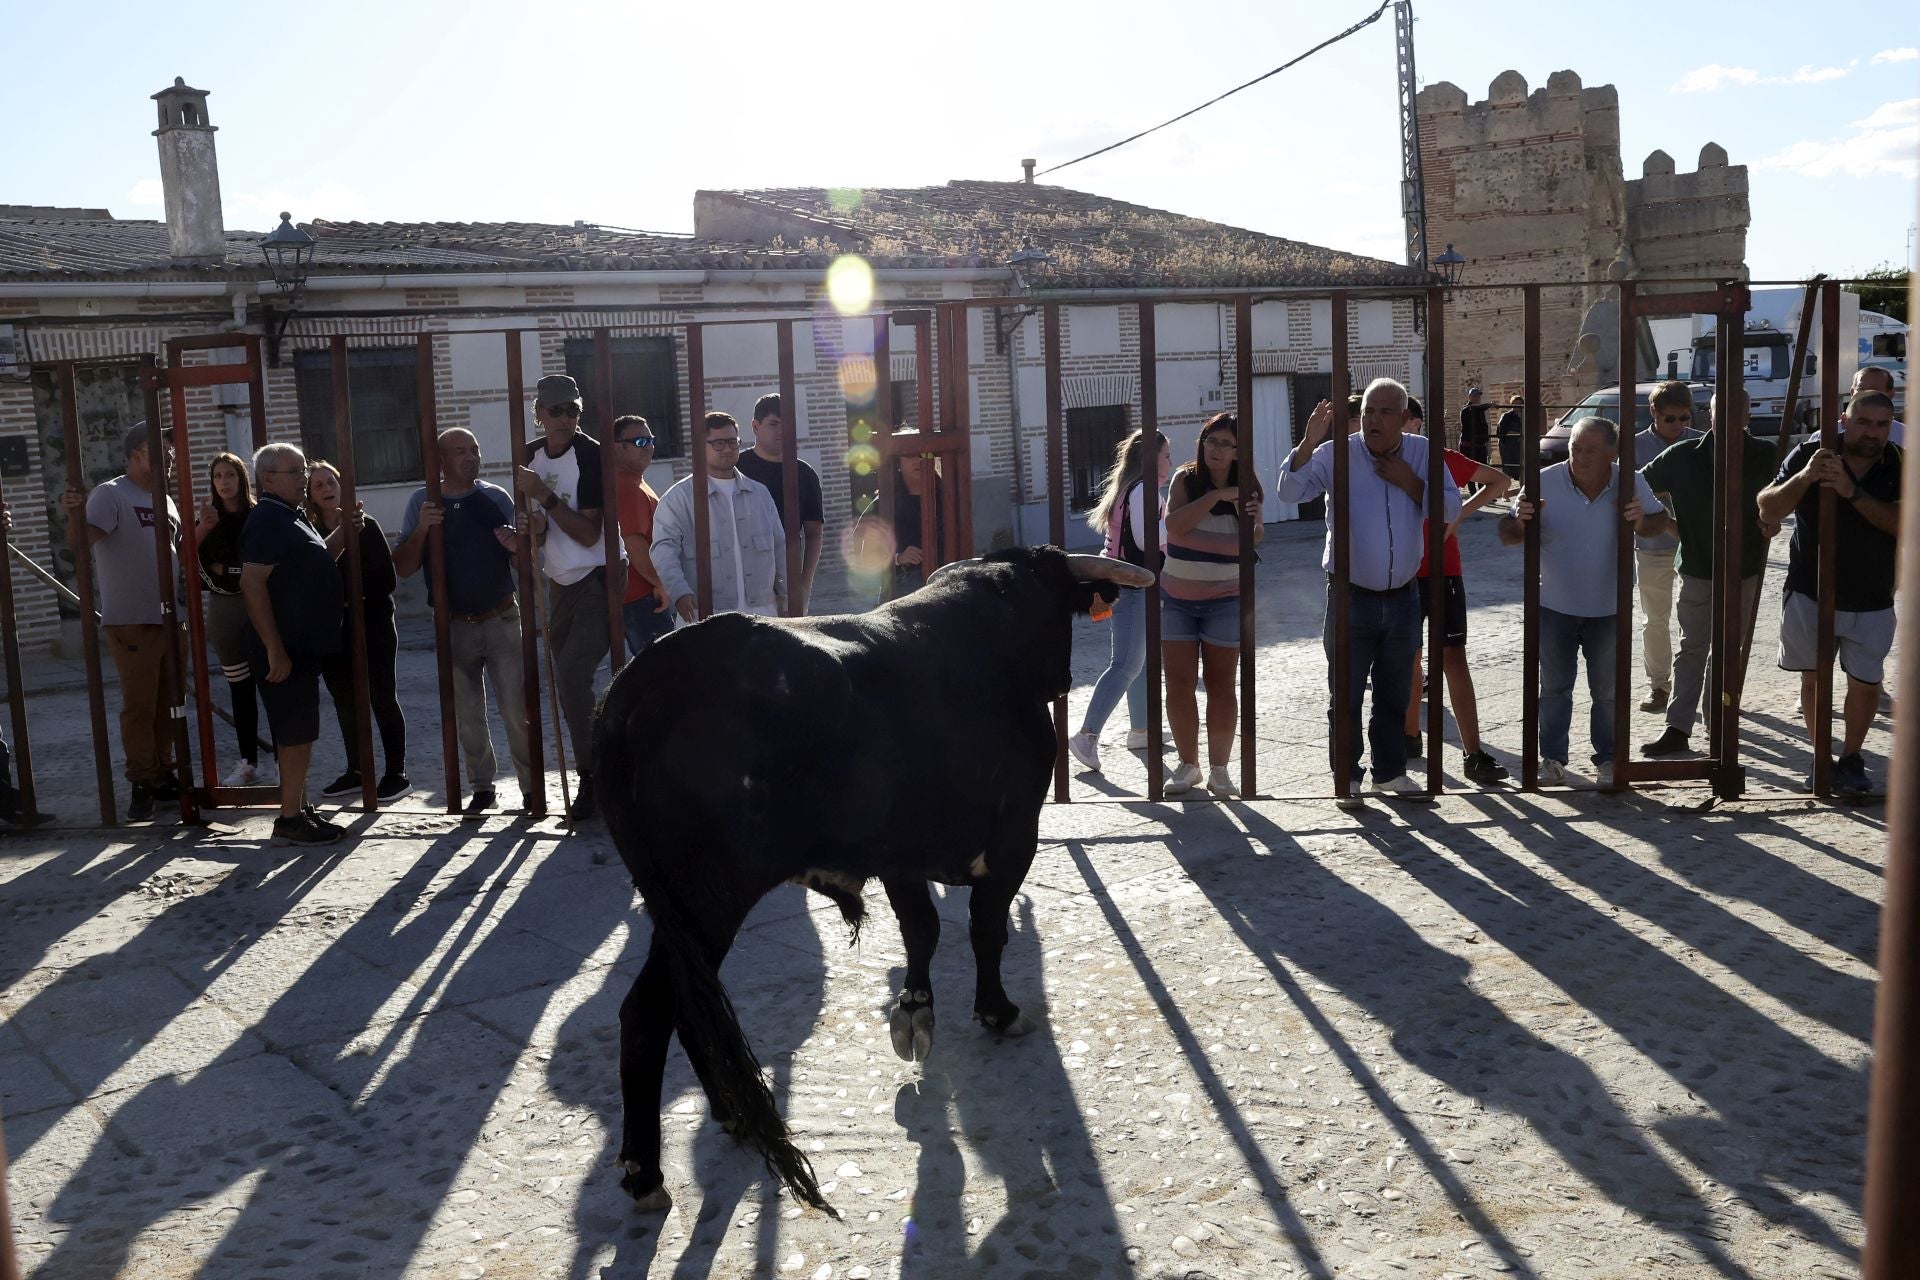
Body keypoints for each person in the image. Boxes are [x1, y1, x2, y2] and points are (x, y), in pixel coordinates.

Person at [1276, 379, 1462, 807]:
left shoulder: (1421, 453)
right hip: (1349, 595)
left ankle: (1390, 773)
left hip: (1403, 595)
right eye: (1368, 412)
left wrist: (1411, 483)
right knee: (1345, 691)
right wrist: (1307, 443)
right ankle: (1347, 778)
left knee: (1396, 692)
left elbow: (1451, 509)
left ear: (1402, 417)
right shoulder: (1336, 453)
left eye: (1383, 412)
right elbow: (1289, 492)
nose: (1372, 420)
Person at [1498, 417, 1668, 785]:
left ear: (1612, 452)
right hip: (1554, 604)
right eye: (1576, 447)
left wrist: (1641, 520)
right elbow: (1508, 534)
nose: (1580, 457)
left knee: (1607, 691)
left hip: (1609, 605)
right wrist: (1521, 522)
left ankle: (1608, 760)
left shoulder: (1630, 480)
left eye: (1591, 450)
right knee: (1555, 687)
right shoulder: (1545, 480)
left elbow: (1659, 523)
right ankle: (1552, 760)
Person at [1756, 388, 1901, 798]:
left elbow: (1902, 522)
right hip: (1809, 589)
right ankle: (1821, 757)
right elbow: (1767, 507)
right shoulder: (1810, 451)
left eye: (1881, 424)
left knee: (1867, 682)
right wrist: (1807, 478)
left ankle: (1852, 757)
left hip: (1872, 594)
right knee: (1813, 677)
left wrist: (1851, 492)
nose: (1872, 433)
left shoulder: (1898, 462)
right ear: (1844, 419)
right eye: (1863, 422)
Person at [394, 427, 538, 818]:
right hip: (454, 623)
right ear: (440, 461)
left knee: (515, 708)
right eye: (460, 451)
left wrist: (518, 546)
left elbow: (525, 561)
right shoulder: (422, 501)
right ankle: (482, 788)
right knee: (468, 714)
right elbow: (403, 568)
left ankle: (530, 789)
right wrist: (424, 526)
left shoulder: (494, 497)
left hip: (501, 617)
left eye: (474, 449)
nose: (471, 457)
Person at [1639, 387, 1779, 757]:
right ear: (1710, 415)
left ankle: (1720, 725)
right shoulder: (1684, 456)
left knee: (1727, 649)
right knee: (1692, 647)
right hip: (1699, 568)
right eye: (1722, 412)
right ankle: (1678, 727)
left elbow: (1787, 496)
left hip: (1744, 568)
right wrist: (1671, 525)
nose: (1730, 419)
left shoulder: (1766, 455)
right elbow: (1636, 486)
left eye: (1738, 412)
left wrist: (1773, 520)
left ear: (1748, 416)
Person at [62, 423, 183, 823]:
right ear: (135, 453)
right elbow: (81, 542)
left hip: (169, 618)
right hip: (131, 619)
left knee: (170, 703)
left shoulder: (166, 499)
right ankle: (141, 782)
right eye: (160, 450)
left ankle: (164, 773)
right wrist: (73, 514)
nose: (168, 457)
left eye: (169, 451)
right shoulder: (111, 494)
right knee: (140, 705)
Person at [515, 372, 623, 822]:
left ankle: (594, 779)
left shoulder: (593, 455)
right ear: (538, 414)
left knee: (573, 674)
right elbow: (538, 526)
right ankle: (606, 764)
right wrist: (531, 526)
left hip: (599, 576)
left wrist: (545, 500)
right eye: (555, 410)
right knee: (571, 682)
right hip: (559, 583)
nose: (565, 418)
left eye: (572, 410)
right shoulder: (529, 457)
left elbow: (588, 532)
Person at [241, 442, 349, 846]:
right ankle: (289, 819)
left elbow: (315, 562)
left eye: (303, 470)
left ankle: (299, 809)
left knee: (301, 732)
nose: (304, 478)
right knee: (293, 733)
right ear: (269, 478)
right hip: (283, 649)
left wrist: (344, 533)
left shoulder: (293, 516)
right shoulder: (268, 518)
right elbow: (252, 584)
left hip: (303, 646)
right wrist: (275, 648)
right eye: (296, 471)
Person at [1402, 396, 1512, 785]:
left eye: (1404, 419)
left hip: (1443, 572)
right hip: (1400, 573)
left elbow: (1501, 481)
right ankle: (1410, 737)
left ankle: (1473, 752)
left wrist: (1459, 515)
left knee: (1453, 660)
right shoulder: (1379, 461)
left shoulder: (1442, 458)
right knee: (1409, 659)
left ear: (1415, 421)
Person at [1160, 413, 1261, 796]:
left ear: (1238, 451)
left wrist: (1247, 515)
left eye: (1225, 444)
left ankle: (1220, 769)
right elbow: (1175, 525)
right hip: (1177, 601)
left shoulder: (1249, 488)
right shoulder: (1185, 479)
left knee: (1222, 686)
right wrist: (1217, 496)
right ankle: (1189, 766)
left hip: (1224, 601)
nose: (1216, 450)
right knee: (1179, 684)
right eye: (1211, 441)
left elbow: (1257, 535)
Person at [1067, 428, 1169, 774]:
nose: (1170, 462)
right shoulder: (1145, 493)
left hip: (1124, 582)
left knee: (1137, 660)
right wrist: (1175, 529)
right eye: (1166, 455)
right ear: (1150, 458)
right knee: (1125, 664)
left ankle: (1141, 729)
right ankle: (1086, 736)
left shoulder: (1129, 490)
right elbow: (1146, 539)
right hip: (1134, 584)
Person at [305, 462, 409, 803]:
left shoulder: (367, 526)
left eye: (330, 481)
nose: (325, 488)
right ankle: (357, 771)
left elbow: (387, 580)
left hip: (373, 622)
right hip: (334, 628)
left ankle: (396, 774)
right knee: (345, 701)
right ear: (310, 494)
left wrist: (348, 593)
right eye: (317, 484)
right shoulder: (311, 531)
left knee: (382, 696)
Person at [652, 411, 788, 622]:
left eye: (733, 442)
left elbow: (780, 547)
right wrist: (679, 591)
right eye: (718, 443)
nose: (727, 449)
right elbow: (663, 550)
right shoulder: (678, 498)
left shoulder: (759, 493)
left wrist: (786, 597)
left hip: (763, 612)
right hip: (706, 614)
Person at [194, 452, 275, 787]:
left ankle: (285, 758)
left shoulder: (259, 516)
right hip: (224, 610)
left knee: (273, 685)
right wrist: (203, 528)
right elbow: (191, 562)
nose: (224, 482)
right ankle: (248, 763)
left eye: (230, 475)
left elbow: (264, 563)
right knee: (239, 689)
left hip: (261, 608)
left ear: (242, 478)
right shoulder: (209, 519)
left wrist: (228, 568)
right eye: (217, 476)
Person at [1631, 381, 1702, 714]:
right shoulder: (1633, 448)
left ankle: (1703, 687)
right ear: (1653, 413)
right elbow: (1634, 497)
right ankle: (1659, 685)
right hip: (1654, 544)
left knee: (1699, 620)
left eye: (1684, 418)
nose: (1678, 426)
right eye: (1670, 419)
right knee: (1655, 619)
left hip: (1696, 546)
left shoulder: (1702, 443)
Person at [736, 393, 825, 615]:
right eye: (774, 424)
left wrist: (805, 584)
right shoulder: (737, 469)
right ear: (756, 426)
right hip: (742, 576)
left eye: (787, 424)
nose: (781, 430)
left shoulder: (804, 473)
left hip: (787, 574)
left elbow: (814, 532)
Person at [610, 414, 673, 658]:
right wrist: (659, 583)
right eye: (639, 442)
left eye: (650, 440)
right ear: (618, 448)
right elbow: (633, 543)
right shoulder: (627, 487)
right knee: (663, 671)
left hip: (643, 595)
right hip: (642, 597)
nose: (648, 447)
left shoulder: (634, 482)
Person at [1850, 365, 1905, 447]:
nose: (1866, 394)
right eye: (1861, 389)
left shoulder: (1906, 436)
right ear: (1852, 392)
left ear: (1891, 394)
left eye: (1874, 389)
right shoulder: (1830, 434)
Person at [1458, 386, 1491, 466]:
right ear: (1469, 397)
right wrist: (1488, 405)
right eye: (1475, 396)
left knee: (1483, 468)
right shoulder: (1466, 409)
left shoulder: (1480, 409)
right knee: (1470, 468)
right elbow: (1473, 409)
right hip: (1469, 446)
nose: (1477, 398)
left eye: (1478, 396)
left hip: (1480, 445)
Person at [1496, 395, 1526, 482]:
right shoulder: (1506, 416)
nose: (1517, 406)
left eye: (1519, 404)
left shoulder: (1525, 415)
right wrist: (1520, 434)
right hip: (1508, 446)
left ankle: (1522, 489)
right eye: (1515, 404)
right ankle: (1505, 493)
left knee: (1522, 469)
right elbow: (1503, 432)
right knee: (1508, 469)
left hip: (1520, 445)